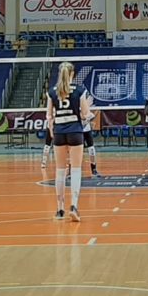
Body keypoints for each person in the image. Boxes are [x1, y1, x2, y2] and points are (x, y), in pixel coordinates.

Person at [46, 61, 93, 222]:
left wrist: (52, 131)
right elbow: (86, 114)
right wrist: (88, 115)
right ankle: (74, 206)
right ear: (72, 74)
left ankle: (60, 209)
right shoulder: (79, 90)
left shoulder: (52, 92)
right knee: (76, 170)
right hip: (75, 131)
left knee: (60, 171)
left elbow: (49, 116)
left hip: (59, 132)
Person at [82, 105, 100, 178]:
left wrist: (88, 119)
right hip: (78, 132)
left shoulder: (86, 110)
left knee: (91, 149)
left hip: (87, 131)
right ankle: (71, 171)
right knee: (75, 150)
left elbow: (92, 115)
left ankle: (94, 169)